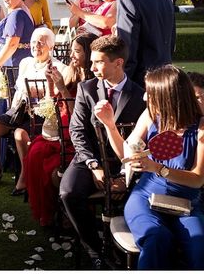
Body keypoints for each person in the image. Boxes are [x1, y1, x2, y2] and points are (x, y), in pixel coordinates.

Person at [95, 65, 204, 269]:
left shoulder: (201, 127)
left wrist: (158, 168)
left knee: (200, 245)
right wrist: (110, 125)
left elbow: (198, 178)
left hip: (186, 204)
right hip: (146, 197)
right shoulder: (150, 116)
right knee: (156, 237)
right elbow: (125, 155)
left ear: (169, 96)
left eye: (150, 93)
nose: (145, 98)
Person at [59, 35, 146, 268]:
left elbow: (141, 144)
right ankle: (96, 250)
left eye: (98, 62)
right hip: (90, 159)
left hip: (124, 162)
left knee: (134, 196)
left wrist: (123, 176)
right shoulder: (86, 89)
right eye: (92, 61)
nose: (91, 66)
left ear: (118, 63)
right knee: (68, 193)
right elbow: (77, 131)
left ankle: (126, 246)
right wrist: (93, 165)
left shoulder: (140, 95)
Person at [23, 32, 98, 226]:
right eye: (72, 50)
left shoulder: (93, 81)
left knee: (47, 163)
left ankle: (66, 211)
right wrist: (51, 82)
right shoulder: (72, 72)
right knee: (35, 153)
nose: (72, 55)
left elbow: (80, 117)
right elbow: (56, 100)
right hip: (62, 130)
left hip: (77, 136)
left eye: (77, 51)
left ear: (89, 54)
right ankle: (51, 210)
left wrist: (63, 89)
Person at [0, 28, 65, 195]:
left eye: (41, 42)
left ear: (51, 46)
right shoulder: (26, 62)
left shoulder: (58, 66)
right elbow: (19, 85)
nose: (36, 46)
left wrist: (37, 90)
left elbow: (53, 94)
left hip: (42, 114)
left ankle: (25, 175)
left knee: (20, 134)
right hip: (20, 108)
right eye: (33, 42)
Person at [106, 0, 175, 87]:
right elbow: (171, 41)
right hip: (166, 81)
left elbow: (127, 49)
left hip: (140, 83)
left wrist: (122, 85)